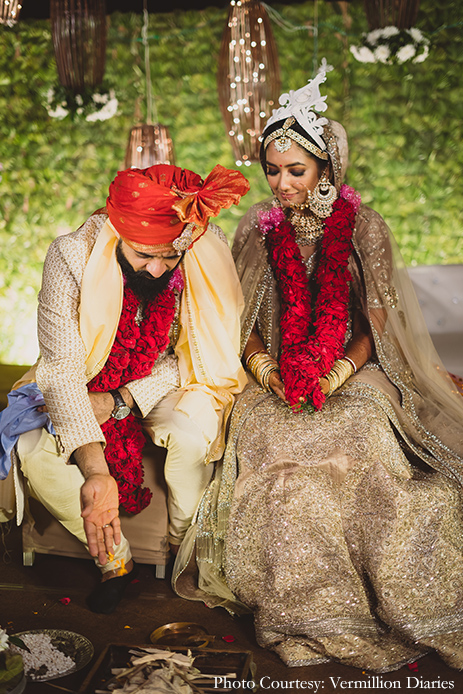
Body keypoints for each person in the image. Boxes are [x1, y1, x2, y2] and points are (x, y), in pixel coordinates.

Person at [173, 67, 463, 672]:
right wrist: (262, 366)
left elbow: (377, 322)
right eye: (272, 170)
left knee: (359, 441)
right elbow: (238, 310)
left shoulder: (365, 225)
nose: (279, 183)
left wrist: (336, 373)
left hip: (354, 369)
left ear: (328, 171)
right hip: (273, 374)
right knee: (274, 448)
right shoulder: (258, 224)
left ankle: (379, 594)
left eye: (294, 171)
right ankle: (301, 605)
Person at [0, 162, 249, 614]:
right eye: (141, 254)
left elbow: (195, 354)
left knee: (191, 435)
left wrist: (122, 399)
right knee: (34, 449)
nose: (156, 269)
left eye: (168, 257)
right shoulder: (71, 256)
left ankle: (183, 552)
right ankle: (117, 561)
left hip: (160, 379)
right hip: (83, 377)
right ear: (117, 232)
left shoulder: (198, 252)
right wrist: (96, 473)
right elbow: (62, 368)